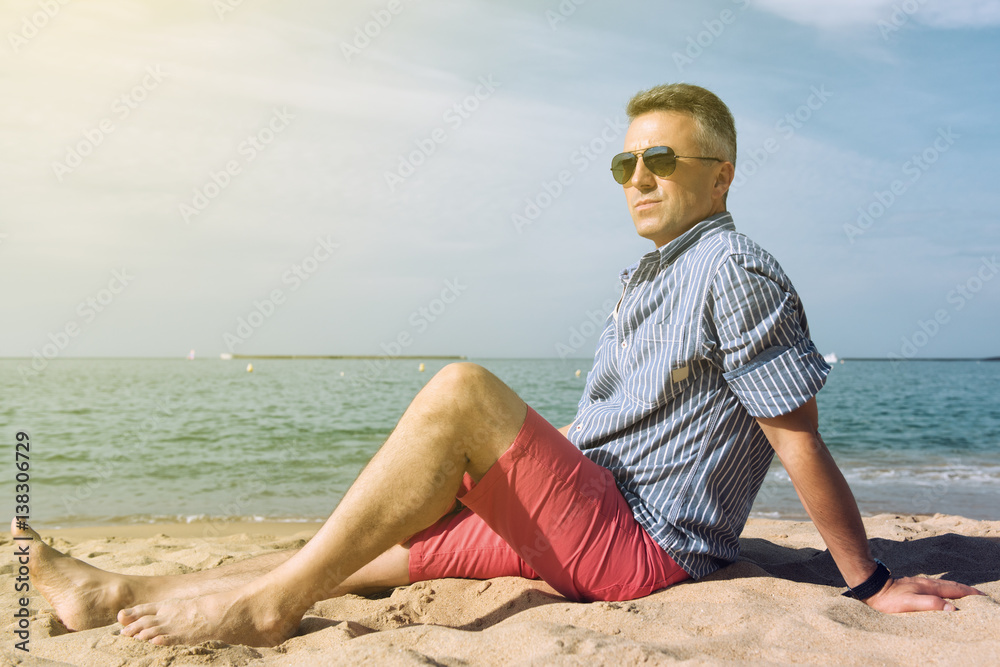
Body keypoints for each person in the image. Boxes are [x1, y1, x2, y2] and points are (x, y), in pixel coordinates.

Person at [16, 83, 983, 648]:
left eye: (662, 161)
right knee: (360, 549)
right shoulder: (653, 273)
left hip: (642, 549)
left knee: (461, 390)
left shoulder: (738, 269)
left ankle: (269, 604)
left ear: (719, 174)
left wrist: (865, 584)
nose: (638, 179)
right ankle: (113, 594)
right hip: (592, 511)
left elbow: (795, 436)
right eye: (625, 164)